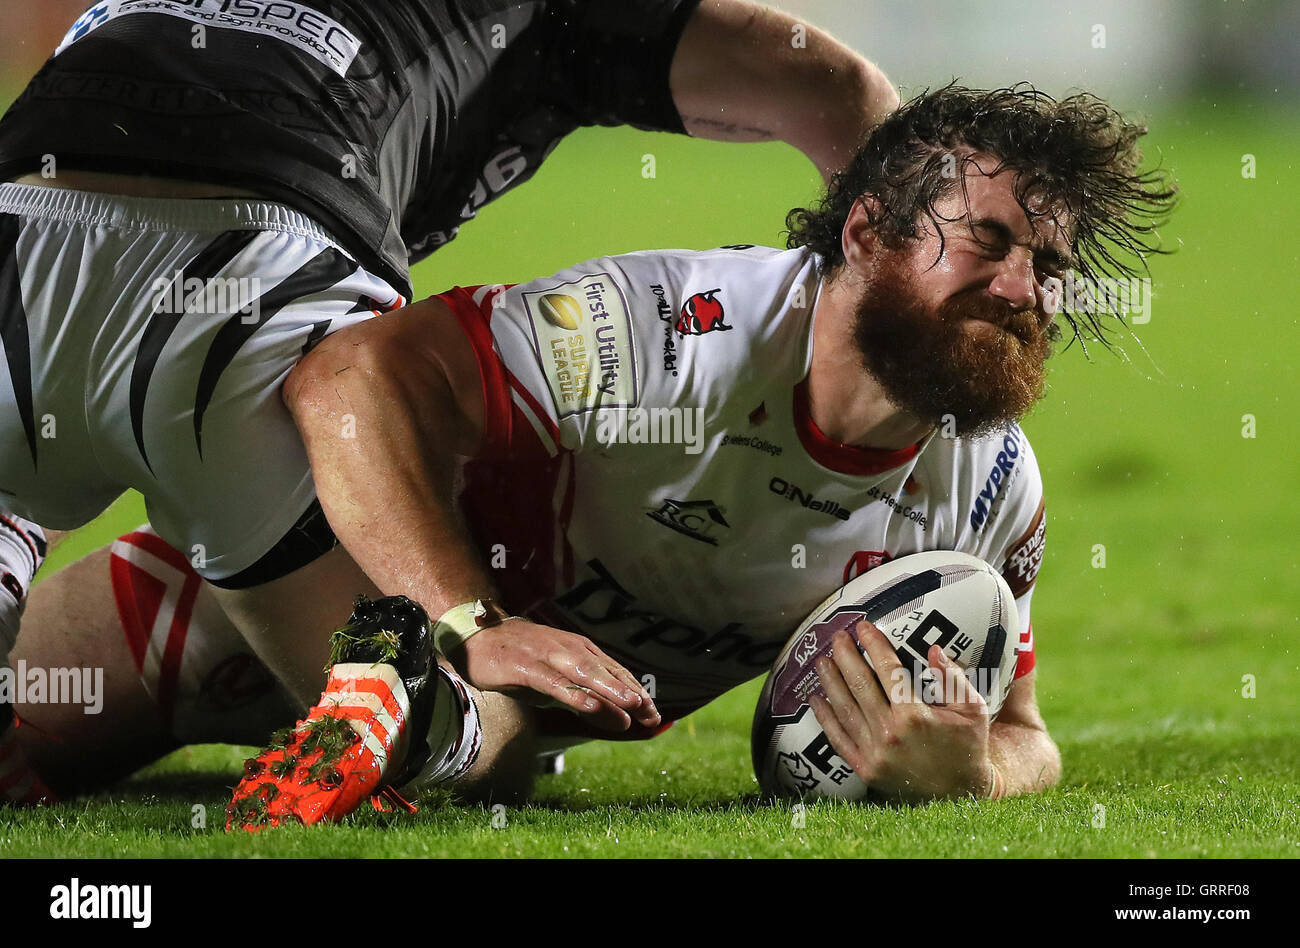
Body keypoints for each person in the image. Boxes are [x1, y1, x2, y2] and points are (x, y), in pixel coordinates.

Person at [9, 85, 1176, 824]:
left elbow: (1025, 737)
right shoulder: (675, 332)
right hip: (263, 596)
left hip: (490, 721)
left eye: (1052, 267)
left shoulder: (990, 490)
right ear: (865, 229)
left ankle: (420, 715)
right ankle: (419, 694)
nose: (1026, 290)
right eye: (988, 243)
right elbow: (349, 376)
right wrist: (470, 619)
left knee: (506, 731)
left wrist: (973, 773)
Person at [0, 0, 899, 805]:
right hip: (247, 279)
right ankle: (410, 698)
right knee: (488, 741)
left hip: (15, 228)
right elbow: (833, 84)